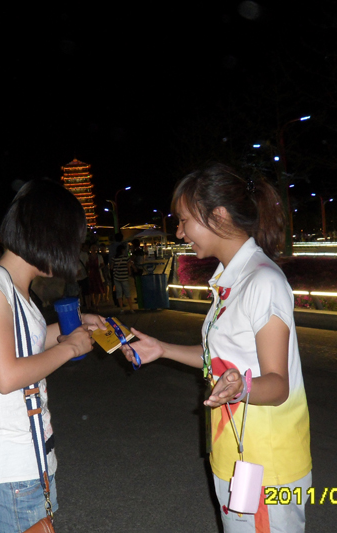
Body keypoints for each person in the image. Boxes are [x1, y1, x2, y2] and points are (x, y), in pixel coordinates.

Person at [120, 163, 312, 532]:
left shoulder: (262, 281)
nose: (179, 232)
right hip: (234, 453)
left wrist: (240, 388)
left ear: (218, 216)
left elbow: (277, 385)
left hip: (265, 464)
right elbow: (221, 360)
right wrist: (162, 349)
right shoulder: (230, 281)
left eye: (183, 220)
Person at [0, 179, 105, 533]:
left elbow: (26, 344)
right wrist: (70, 348)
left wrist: (77, 325)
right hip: (11, 476)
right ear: (48, 236)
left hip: (27, 467)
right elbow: (6, 376)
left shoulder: (11, 287)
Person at [112, 243, 135, 313]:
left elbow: (111, 267)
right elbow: (129, 266)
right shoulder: (126, 258)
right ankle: (131, 308)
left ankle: (121, 309)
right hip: (124, 277)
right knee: (127, 292)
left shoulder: (114, 258)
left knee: (119, 293)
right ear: (122, 250)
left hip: (116, 277)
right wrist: (130, 271)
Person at [86, 243, 105, 311]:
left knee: (98, 290)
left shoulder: (99, 256)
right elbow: (86, 265)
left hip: (97, 274)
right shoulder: (88, 256)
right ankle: (94, 303)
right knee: (91, 290)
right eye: (92, 248)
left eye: (95, 248)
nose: (94, 249)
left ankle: (96, 304)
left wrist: (99, 267)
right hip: (91, 275)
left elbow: (102, 264)